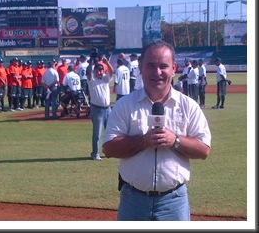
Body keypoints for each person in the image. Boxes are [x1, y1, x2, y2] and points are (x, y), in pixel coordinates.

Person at [102, 40, 211, 221]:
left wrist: (175, 140)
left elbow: (204, 150)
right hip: (133, 200)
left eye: (163, 66)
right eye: (151, 66)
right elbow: (109, 149)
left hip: (174, 202)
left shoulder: (188, 106)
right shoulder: (124, 105)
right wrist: (143, 141)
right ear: (141, 69)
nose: (157, 72)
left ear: (173, 68)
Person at [86, 55, 114, 161]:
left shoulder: (105, 79)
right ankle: (95, 153)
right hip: (97, 109)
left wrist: (106, 62)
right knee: (97, 134)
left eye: (101, 70)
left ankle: (110, 151)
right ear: (95, 71)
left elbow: (112, 71)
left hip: (107, 109)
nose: (100, 72)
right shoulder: (92, 80)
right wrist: (91, 64)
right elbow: (88, 73)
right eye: (98, 70)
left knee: (110, 132)